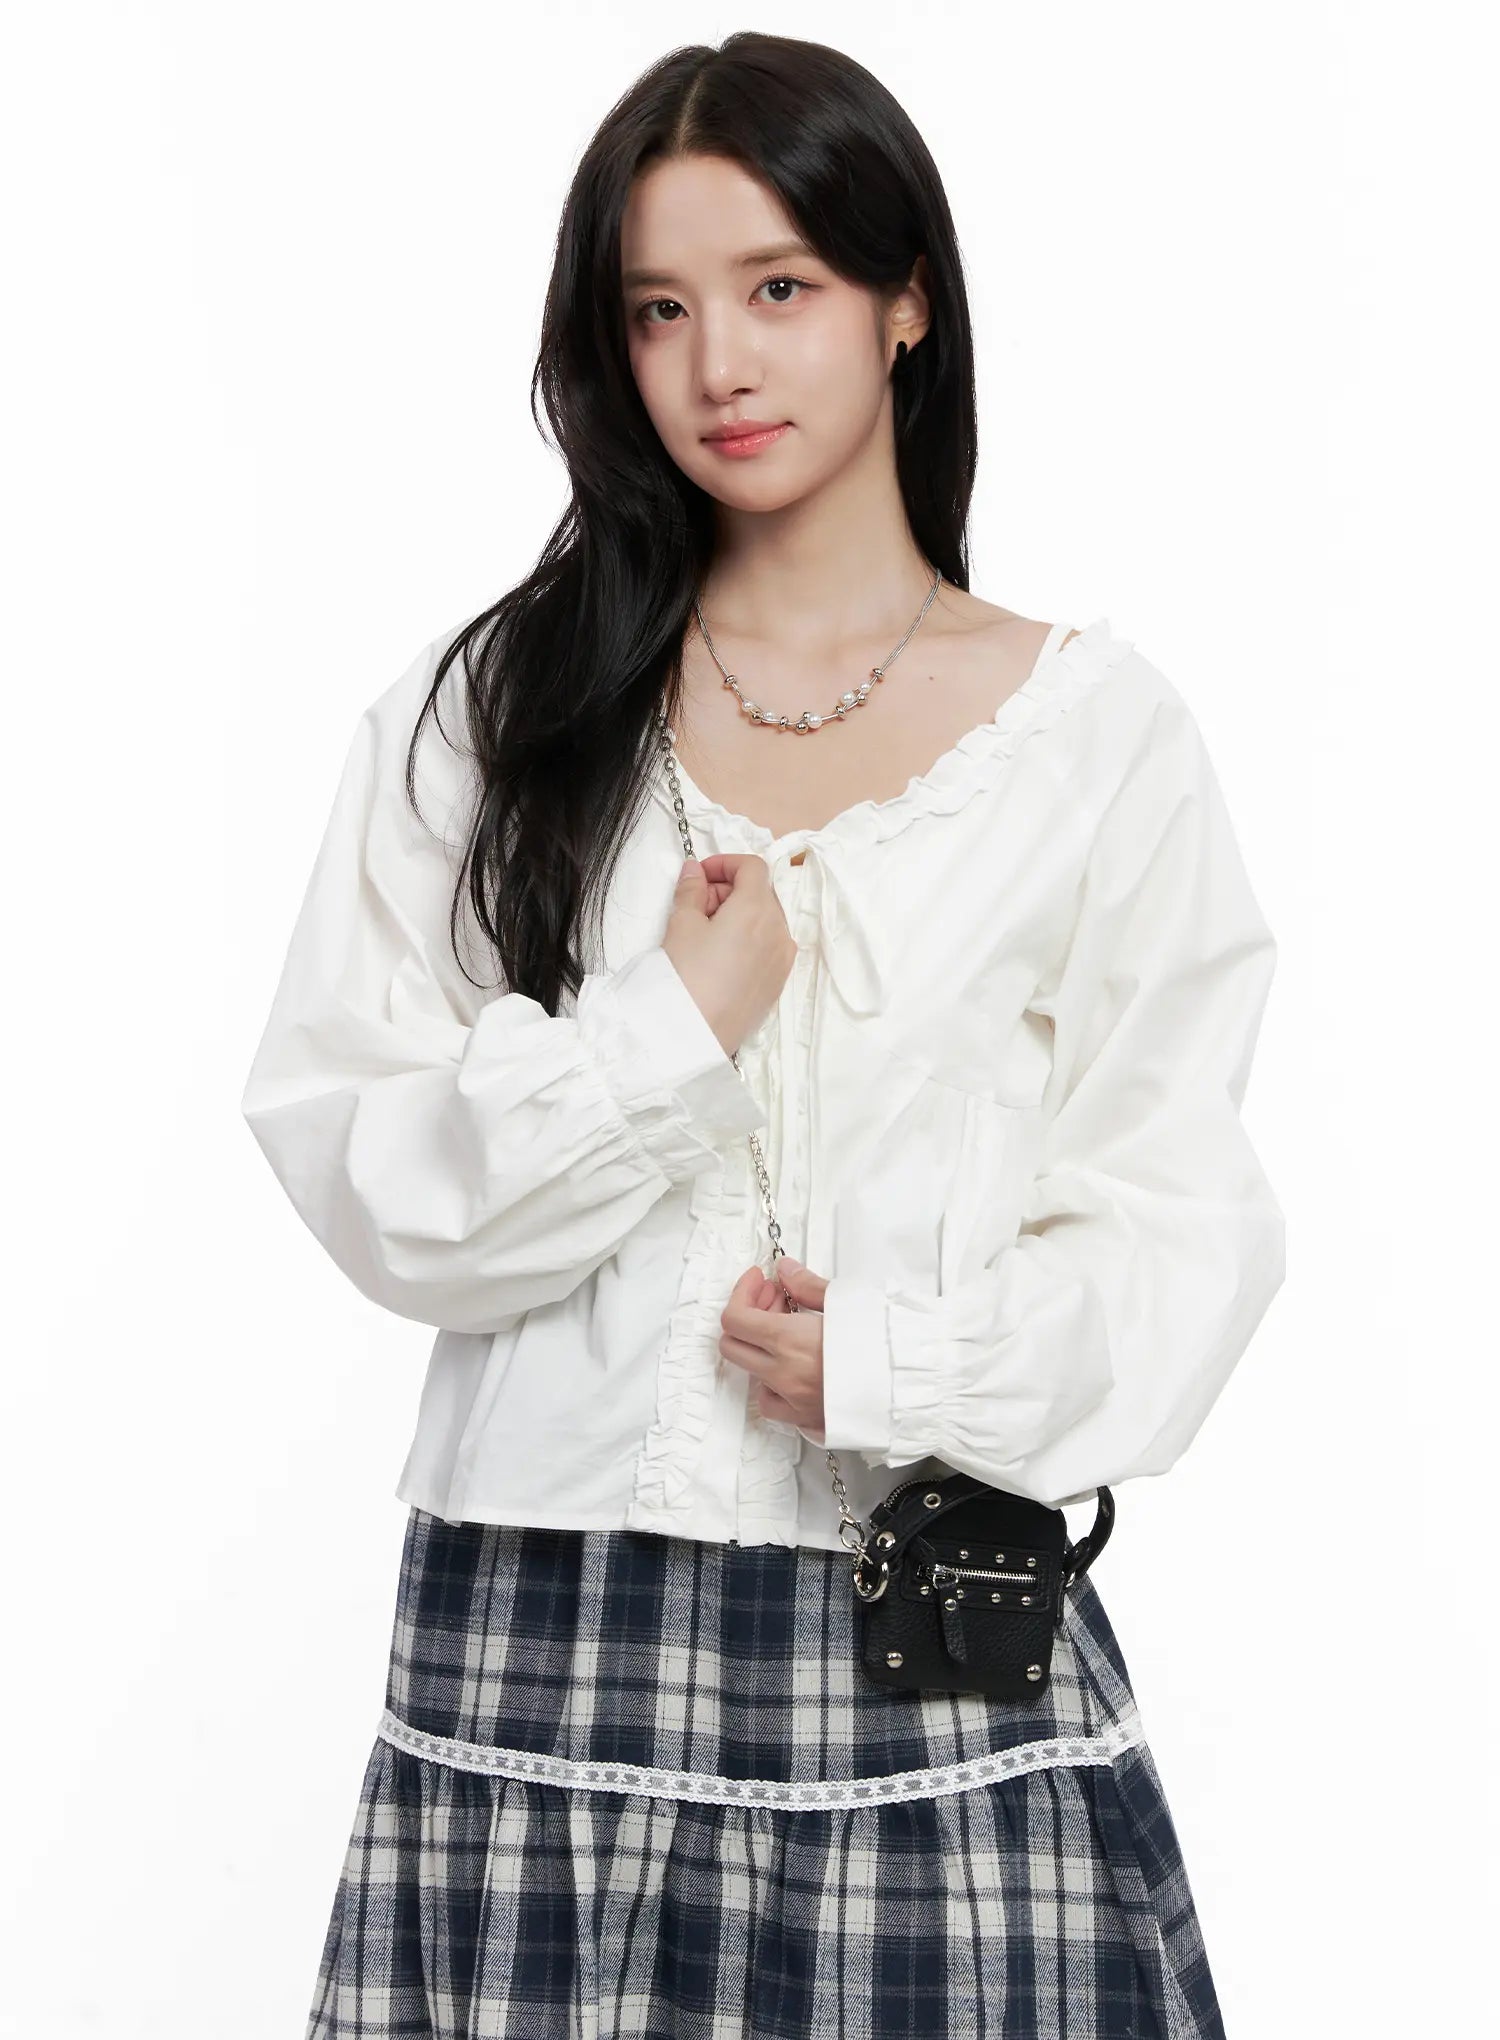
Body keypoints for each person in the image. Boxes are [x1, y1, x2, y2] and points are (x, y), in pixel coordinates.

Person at [240, 30, 1285, 2040]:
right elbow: (364, 1166)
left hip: (930, 1640)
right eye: (659, 308)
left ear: (907, 303)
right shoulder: (499, 717)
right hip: (543, 1654)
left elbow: (1180, 1241)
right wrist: (668, 1037)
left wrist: (895, 1362)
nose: (718, 363)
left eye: (779, 286)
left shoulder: (1096, 743)